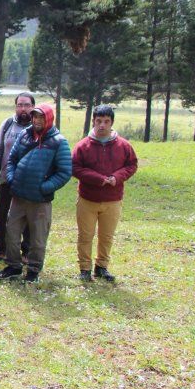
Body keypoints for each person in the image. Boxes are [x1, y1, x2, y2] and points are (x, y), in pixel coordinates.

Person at [0, 104, 71, 283]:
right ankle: (13, 266)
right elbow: (12, 159)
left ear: (49, 119)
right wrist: (12, 178)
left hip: (40, 200)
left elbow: (64, 172)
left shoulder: (59, 142)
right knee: (11, 232)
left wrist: (44, 187)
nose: (37, 120)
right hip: (19, 196)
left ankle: (34, 269)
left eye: (41, 117)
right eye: (35, 117)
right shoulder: (24, 135)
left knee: (38, 237)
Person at [72, 105, 138, 282]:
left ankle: (101, 267)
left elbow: (132, 165)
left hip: (113, 199)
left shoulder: (124, 145)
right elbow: (75, 167)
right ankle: (84, 268)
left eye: (106, 121)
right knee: (85, 235)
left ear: (112, 123)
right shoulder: (83, 146)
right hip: (88, 198)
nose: (102, 125)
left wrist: (117, 177)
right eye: (99, 121)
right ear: (93, 121)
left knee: (106, 236)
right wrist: (98, 178)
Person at [0, 91, 35, 263]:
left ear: (33, 107)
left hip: (30, 181)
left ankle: (26, 252)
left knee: (28, 216)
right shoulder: (8, 123)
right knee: (3, 215)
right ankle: (1, 249)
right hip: (6, 179)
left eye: (26, 105)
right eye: (19, 105)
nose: (23, 108)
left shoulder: (38, 125)